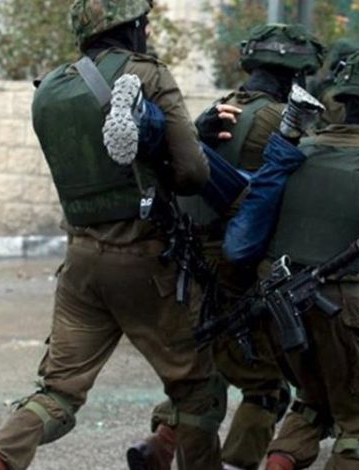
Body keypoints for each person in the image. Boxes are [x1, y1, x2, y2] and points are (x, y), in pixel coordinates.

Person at [0, 1, 227, 469]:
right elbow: (192, 174)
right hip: (145, 260)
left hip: (81, 262)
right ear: (130, 27)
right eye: (143, 23)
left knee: (58, 393)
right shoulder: (148, 74)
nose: (146, 31)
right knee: (197, 391)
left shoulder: (51, 89)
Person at [128, 23, 326, 470]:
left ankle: (163, 439)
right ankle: (236, 462)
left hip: (191, 258)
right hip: (243, 265)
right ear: (297, 75)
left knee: (205, 362)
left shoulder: (217, 110)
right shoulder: (285, 121)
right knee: (265, 385)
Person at [259, 51, 359, 470]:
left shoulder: (301, 147)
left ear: (346, 100)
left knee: (311, 401)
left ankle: (278, 462)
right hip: (342, 300)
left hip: (278, 297)